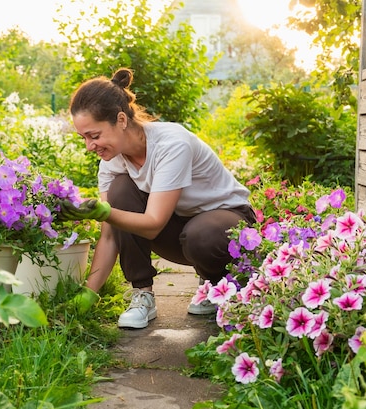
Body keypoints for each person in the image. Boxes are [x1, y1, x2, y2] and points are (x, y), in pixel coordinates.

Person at [58, 68, 256, 329]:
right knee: (120, 191)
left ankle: (217, 284)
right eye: (83, 137)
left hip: (227, 224)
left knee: (201, 235)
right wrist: (88, 293)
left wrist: (104, 212)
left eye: (94, 136)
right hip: (179, 227)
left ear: (121, 119)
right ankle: (142, 294)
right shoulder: (112, 160)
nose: (89, 146)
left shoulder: (171, 144)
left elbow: (152, 222)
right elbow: (110, 234)